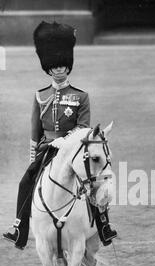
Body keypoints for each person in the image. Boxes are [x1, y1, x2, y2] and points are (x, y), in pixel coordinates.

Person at [3, 21, 117, 250]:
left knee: (92, 182)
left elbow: (84, 128)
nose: (58, 70)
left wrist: (64, 141)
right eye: (54, 67)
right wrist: (34, 157)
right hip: (47, 149)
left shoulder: (80, 96)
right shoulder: (40, 95)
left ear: (68, 67)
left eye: (62, 66)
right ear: (48, 68)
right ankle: (19, 228)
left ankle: (103, 226)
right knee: (26, 182)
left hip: (73, 149)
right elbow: (35, 132)